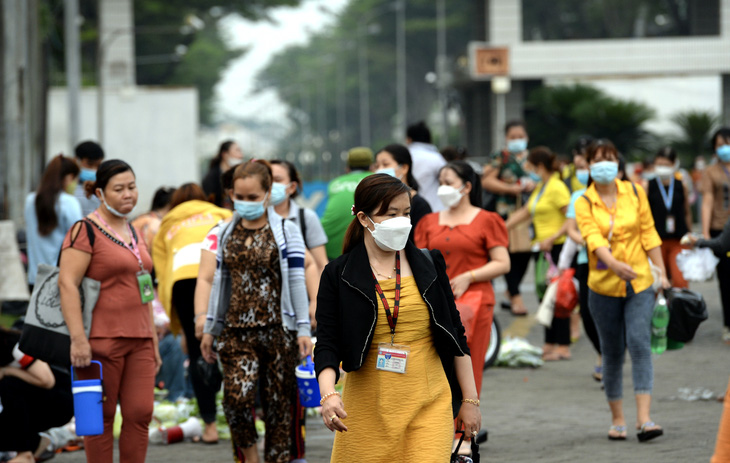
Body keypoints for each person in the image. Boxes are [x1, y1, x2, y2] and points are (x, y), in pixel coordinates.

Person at [314, 174, 481, 461]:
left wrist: (469, 400)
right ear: (365, 219)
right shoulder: (338, 274)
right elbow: (327, 343)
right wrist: (329, 395)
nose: (402, 221)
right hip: (367, 407)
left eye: (406, 213)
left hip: (430, 401)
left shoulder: (429, 264)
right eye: (391, 214)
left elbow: (455, 335)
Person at [201, 160, 312, 463]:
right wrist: (210, 327)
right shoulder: (223, 232)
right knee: (235, 399)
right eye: (240, 197)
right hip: (235, 332)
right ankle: (249, 457)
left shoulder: (288, 231)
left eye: (253, 197)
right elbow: (217, 283)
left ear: (267, 194)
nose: (246, 203)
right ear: (231, 194)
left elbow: (297, 279)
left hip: (279, 331)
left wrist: (303, 328)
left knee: (280, 407)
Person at [59, 160, 161, 462]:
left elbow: (145, 292)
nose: (128, 194)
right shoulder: (84, 230)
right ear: (100, 193)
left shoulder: (134, 229)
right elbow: (67, 283)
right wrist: (78, 339)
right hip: (101, 340)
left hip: (141, 337)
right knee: (99, 419)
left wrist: (153, 339)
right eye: (119, 189)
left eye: (132, 187)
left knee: (140, 413)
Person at [575, 139, 669, 442]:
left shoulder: (635, 192)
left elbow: (649, 232)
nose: (606, 164)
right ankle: (618, 419)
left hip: (640, 281)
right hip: (602, 287)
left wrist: (662, 273)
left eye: (611, 158)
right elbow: (593, 239)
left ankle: (645, 419)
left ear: (619, 163)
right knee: (612, 352)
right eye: (599, 159)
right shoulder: (584, 201)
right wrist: (613, 265)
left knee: (640, 343)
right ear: (589, 165)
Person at [415, 160, 510, 397]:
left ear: (466, 187)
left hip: (476, 300)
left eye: (449, 183)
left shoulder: (487, 220)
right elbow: (417, 261)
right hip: (436, 302)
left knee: (470, 363)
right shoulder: (428, 222)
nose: (442, 188)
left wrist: (470, 276)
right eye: (440, 183)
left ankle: (466, 428)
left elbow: (502, 262)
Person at [153, 183, 231, 444]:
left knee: (199, 352)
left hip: (183, 282)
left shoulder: (167, 224)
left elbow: (162, 274)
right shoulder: (220, 214)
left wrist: (179, 325)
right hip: (221, 274)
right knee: (237, 346)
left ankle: (209, 426)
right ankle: (246, 417)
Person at [505, 147, 571, 360]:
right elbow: (526, 212)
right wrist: (501, 227)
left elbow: (571, 217)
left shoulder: (557, 187)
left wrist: (553, 237)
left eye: (531, 168)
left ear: (539, 167)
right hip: (542, 249)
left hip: (557, 248)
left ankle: (563, 345)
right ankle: (550, 342)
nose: (530, 172)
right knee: (545, 296)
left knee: (559, 296)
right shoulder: (542, 187)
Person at [481, 120, 534, 316]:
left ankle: (511, 291)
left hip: (528, 211)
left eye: (520, 136)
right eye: (513, 137)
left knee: (525, 252)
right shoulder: (500, 157)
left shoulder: (532, 158)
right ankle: (516, 295)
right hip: (505, 210)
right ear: (506, 138)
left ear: (527, 137)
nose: (517, 140)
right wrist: (510, 188)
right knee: (508, 251)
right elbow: (487, 181)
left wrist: (532, 186)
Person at [0, 327, 73, 463]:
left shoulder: (17, 347)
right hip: (35, 403)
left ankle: (25, 454)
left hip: (60, 400)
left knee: (9, 384)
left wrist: (7, 371)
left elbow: (47, 380)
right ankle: (37, 443)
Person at [563, 140, 602, 380]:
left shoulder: (623, 193)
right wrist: (588, 240)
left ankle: (608, 357)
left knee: (611, 311)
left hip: (617, 262)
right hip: (586, 261)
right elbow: (570, 229)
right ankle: (603, 352)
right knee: (588, 312)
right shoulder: (578, 196)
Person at [24, 155, 82, 290]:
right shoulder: (69, 203)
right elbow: (79, 238)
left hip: (35, 277)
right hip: (61, 278)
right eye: (75, 179)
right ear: (68, 177)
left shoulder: (30, 200)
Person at [699, 127, 730, 341]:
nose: (724, 148)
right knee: (726, 279)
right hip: (721, 230)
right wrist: (704, 233)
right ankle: (728, 324)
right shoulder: (711, 172)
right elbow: (707, 201)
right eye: (720, 145)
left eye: (727, 143)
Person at [270, 160, 329, 270]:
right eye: (267, 180)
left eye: (277, 180)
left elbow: (321, 265)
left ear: (292, 187)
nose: (271, 185)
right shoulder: (254, 219)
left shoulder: (306, 218)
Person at [647, 147, 692, 289]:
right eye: (659, 165)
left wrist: (690, 234)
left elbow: (687, 212)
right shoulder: (649, 186)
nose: (662, 168)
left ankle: (680, 309)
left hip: (678, 239)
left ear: (674, 165)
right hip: (656, 241)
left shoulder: (680, 185)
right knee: (658, 282)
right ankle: (661, 310)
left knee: (680, 281)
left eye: (666, 165)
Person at [320, 147, 373, 260]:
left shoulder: (335, 183)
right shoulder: (375, 181)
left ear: (347, 168)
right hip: (363, 248)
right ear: (372, 167)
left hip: (328, 246)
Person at [374, 144, 432, 240]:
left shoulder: (420, 205)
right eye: (377, 166)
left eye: (385, 164)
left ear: (404, 168)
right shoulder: (377, 201)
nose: (380, 170)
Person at [406, 121, 446, 211]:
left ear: (408, 139)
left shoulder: (402, 156)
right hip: (434, 209)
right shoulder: (436, 158)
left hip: (406, 210)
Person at [202, 140, 244, 208]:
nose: (241, 155)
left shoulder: (239, 175)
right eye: (237, 150)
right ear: (225, 154)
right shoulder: (211, 178)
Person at [73, 141, 105, 216]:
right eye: (90, 164)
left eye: (98, 166)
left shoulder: (102, 188)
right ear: (76, 160)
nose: (94, 169)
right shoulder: (67, 187)